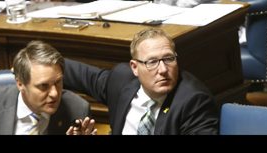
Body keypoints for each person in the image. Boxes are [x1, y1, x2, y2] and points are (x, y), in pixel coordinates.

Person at [63, 28, 219, 135]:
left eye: (169, 59)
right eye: (152, 62)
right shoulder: (121, 80)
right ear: (135, 67)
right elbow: (80, 74)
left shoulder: (194, 101)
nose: (163, 69)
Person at [0, 40, 96, 135]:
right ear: (20, 84)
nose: (54, 93)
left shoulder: (78, 109)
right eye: (43, 86)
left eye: (58, 82)